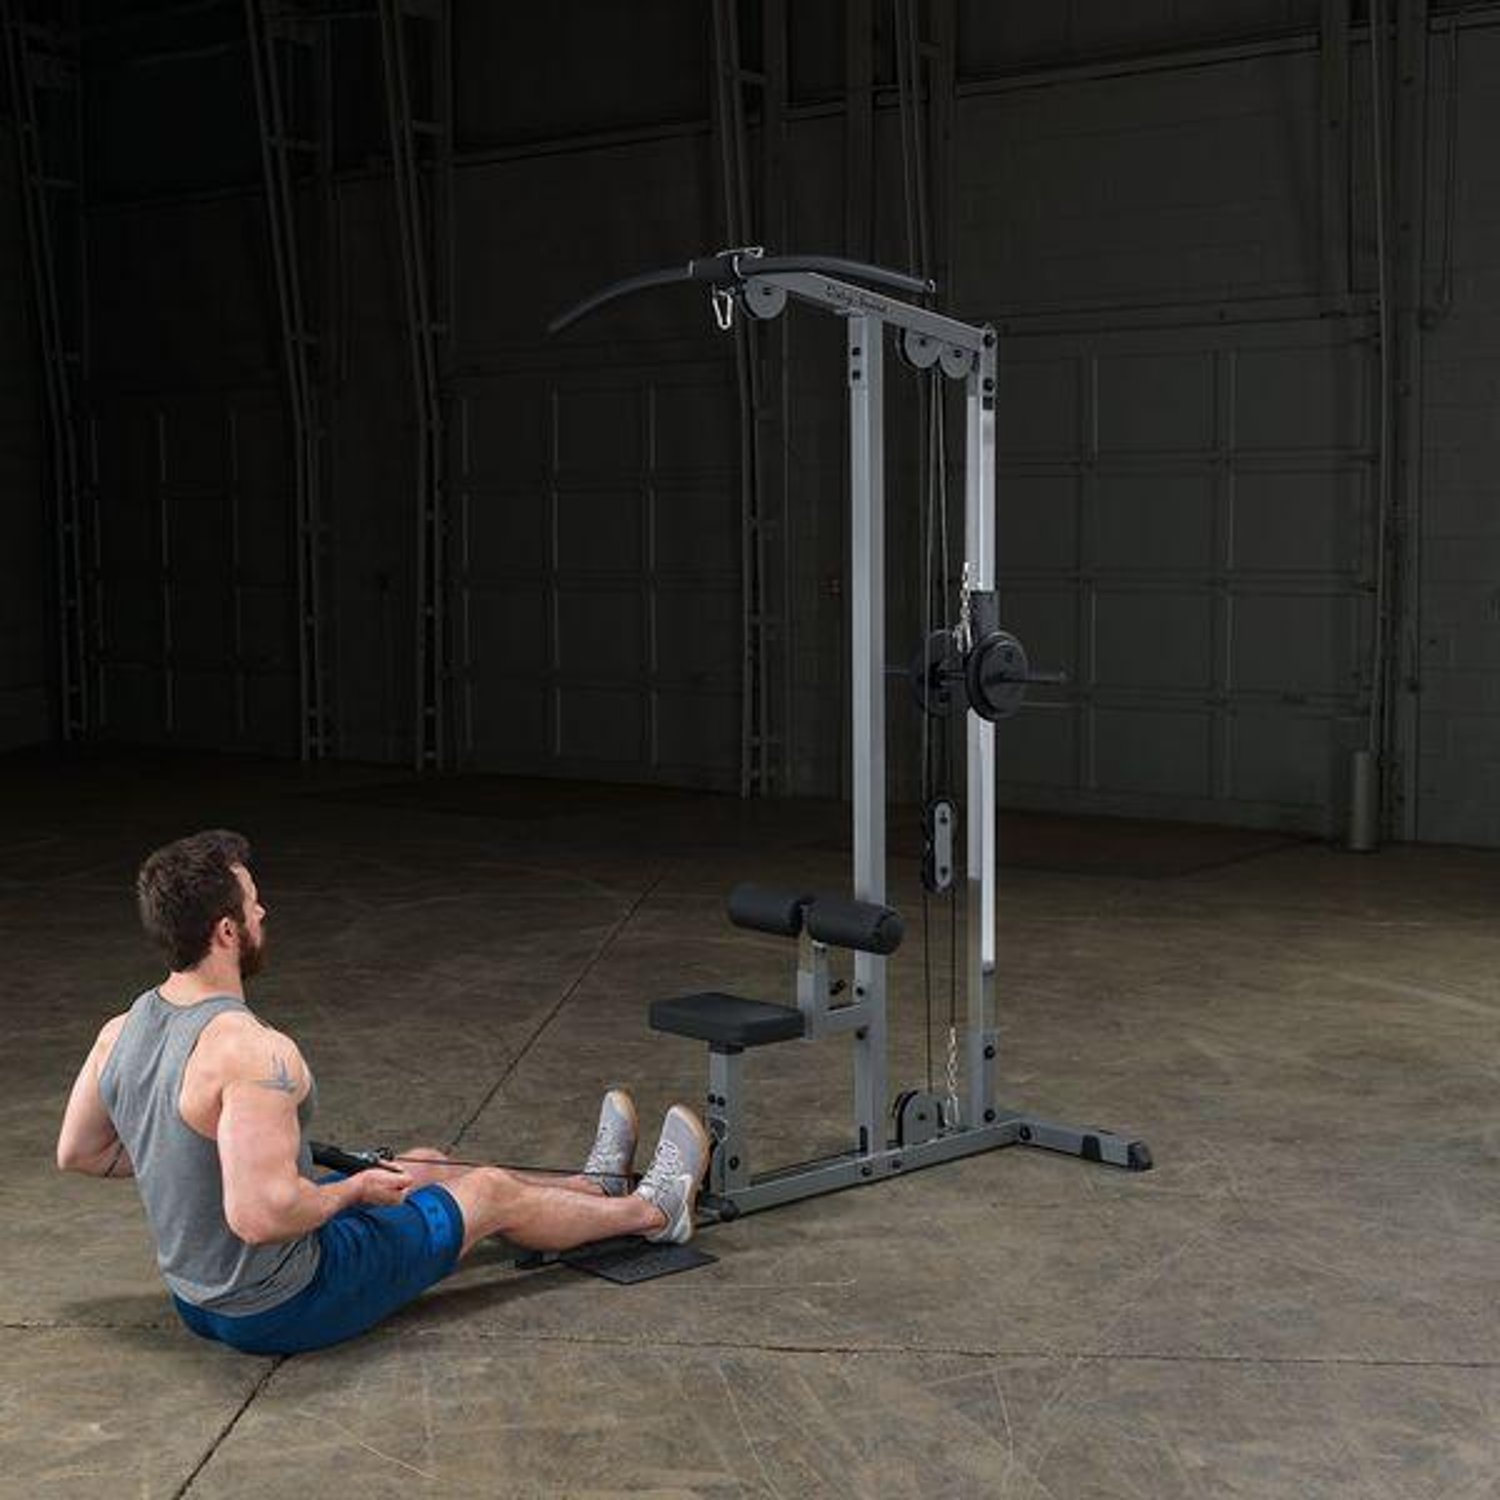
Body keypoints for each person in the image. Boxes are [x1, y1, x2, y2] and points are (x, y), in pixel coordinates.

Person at [55, 829, 711, 1356]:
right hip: (284, 1303)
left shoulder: (121, 1031)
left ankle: (590, 1191)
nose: (262, 911)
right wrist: (351, 1192)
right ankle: (654, 1214)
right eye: (252, 903)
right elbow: (260, 1218)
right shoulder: (251, 1051)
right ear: (226, 932)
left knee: (424, 1166)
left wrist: (195, 1158)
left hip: (197, 1298)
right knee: (486, 1192)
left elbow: (79, 1152)